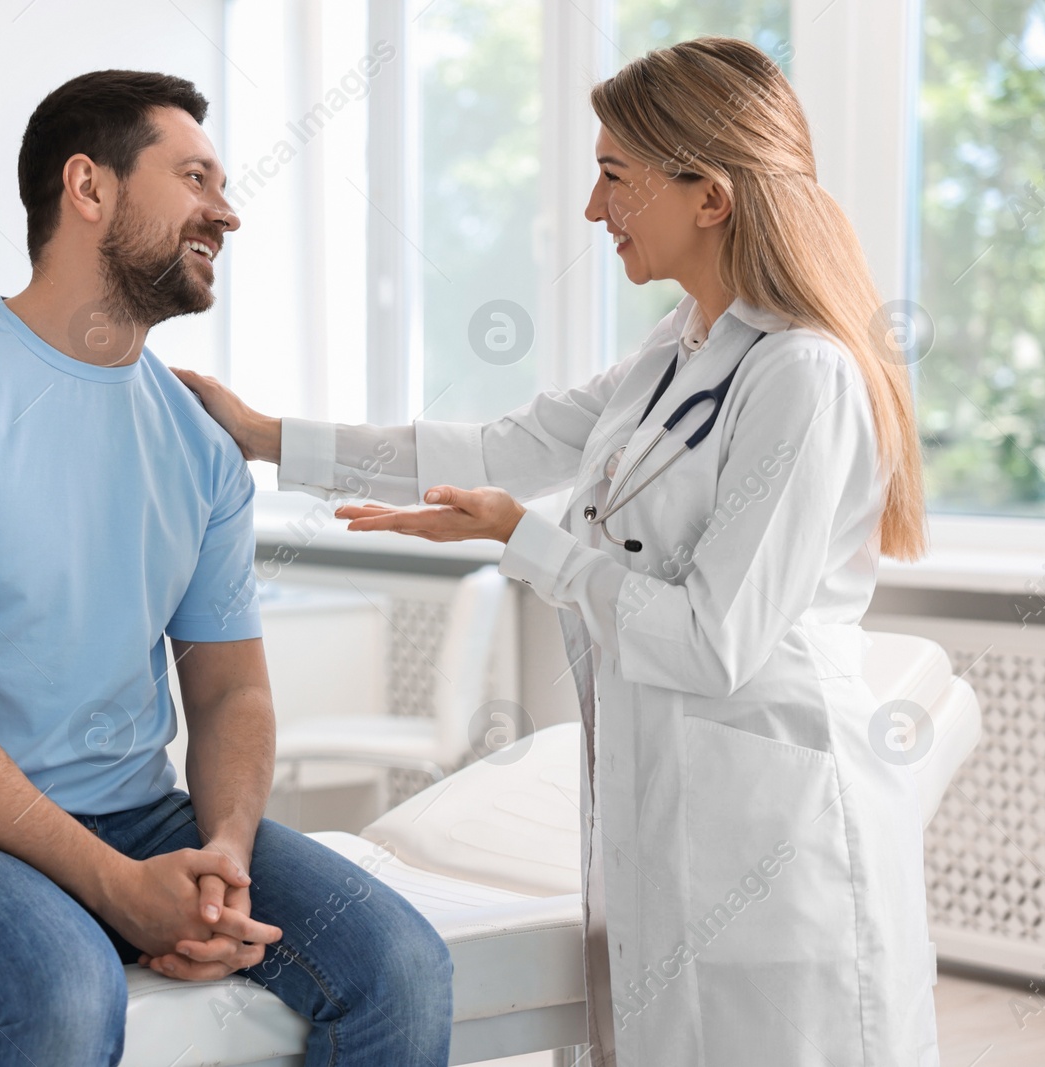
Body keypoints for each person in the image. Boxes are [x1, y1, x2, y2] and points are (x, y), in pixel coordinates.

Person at [177, 36, 937, 1067]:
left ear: (707, 194)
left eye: (614, 176)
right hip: (655, 794)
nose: (591, 209)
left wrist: (521, 538)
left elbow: (713, 642)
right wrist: (266, 435)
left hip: (771, 827)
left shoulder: (802, 376)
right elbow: (496, 447)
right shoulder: (677, 351)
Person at [0, 69, 452, 1067]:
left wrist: (224, 856)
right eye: (195, 176)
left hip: (136, 808)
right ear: (89, 188)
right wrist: (115, 886)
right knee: (64, 987)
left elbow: (232, 687)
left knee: (400, 964)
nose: (227, 211)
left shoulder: (197, 441)